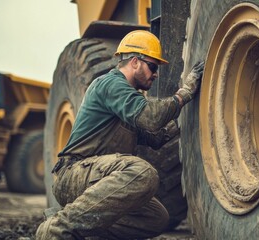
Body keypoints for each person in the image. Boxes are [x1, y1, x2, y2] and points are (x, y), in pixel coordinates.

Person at [36, 30, 204, 240]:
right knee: (142, 173)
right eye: (152, 66)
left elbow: (154, 137)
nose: (156, 73)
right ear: (135, 62)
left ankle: (83, 232)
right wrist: (184, 94)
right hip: (74, 173)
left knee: (156, 218)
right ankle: (56, 229)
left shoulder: (127, 100)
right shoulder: (110, 84)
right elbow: (151, 118)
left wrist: (185, 120)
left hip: (100, 177)